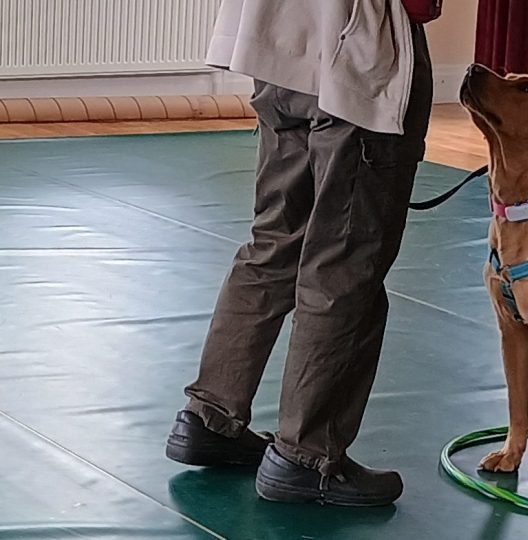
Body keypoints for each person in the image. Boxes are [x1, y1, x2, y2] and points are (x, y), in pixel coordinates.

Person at [164, 0, 433, 507]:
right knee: (346, 264)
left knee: (274, 243)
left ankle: (211, 418)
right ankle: (308, 458)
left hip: (278, 47)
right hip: (355, 56)